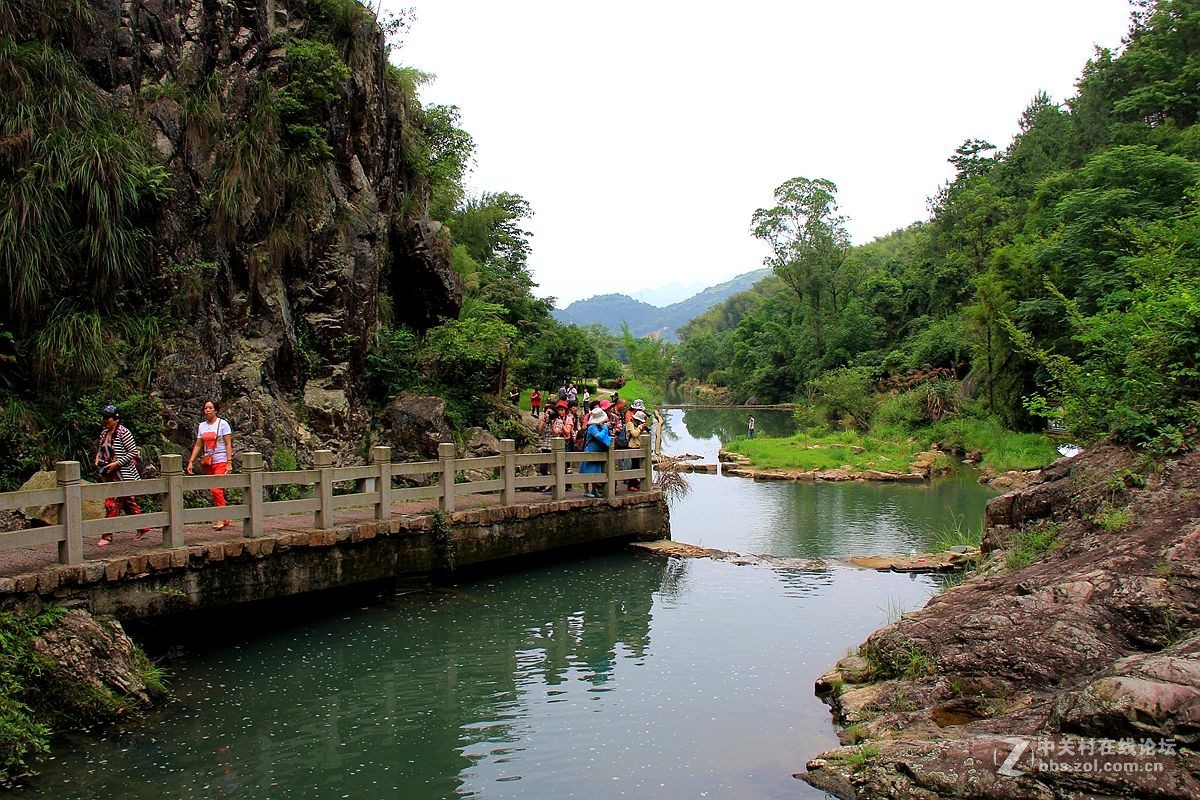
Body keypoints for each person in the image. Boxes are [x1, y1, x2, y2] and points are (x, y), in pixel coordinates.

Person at [93, 404, 149, 546]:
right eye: (104, 417)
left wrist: (117, 464)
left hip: (123, 473)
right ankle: (143, 527)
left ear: (116, 418)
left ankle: (107, 536)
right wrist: (98, 459)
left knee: (111, 504)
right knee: (128, 503)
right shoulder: (104, 433)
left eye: (108, 418)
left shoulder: (124, 432)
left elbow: (133, 453)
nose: (105, 420)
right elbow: (101, 449)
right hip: (110, 473)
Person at [186, 400, 234, 529]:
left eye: (210, 408)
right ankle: (225, 517)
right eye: (205, 408)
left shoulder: (223, 424)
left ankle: (220, 519)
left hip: (221, 459)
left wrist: (229, 461)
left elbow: (228, 443)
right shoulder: (202, 426)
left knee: (216, 489)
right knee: (213, 490)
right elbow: (198, 444)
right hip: (208, 461)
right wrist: (191, 461)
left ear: (216, 410)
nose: (207, 410)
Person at [578, 406, 612, 498]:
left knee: (596, 472)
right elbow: (600, 437)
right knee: (587, 472)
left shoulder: (600, 426)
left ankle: (594, 489)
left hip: (598, 451)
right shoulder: (592, 427)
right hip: (590, 451)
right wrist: (605, 428)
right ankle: (586, 490)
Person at [626, 409, 650, 491]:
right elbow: (634, 434)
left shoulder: (637, 425)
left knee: (637, 466)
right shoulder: (630, 424)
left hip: (637, 447)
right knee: (634, 466)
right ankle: (631, 484)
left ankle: (635, 483)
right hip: (632, 447)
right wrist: (640, 427)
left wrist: (642, 429)